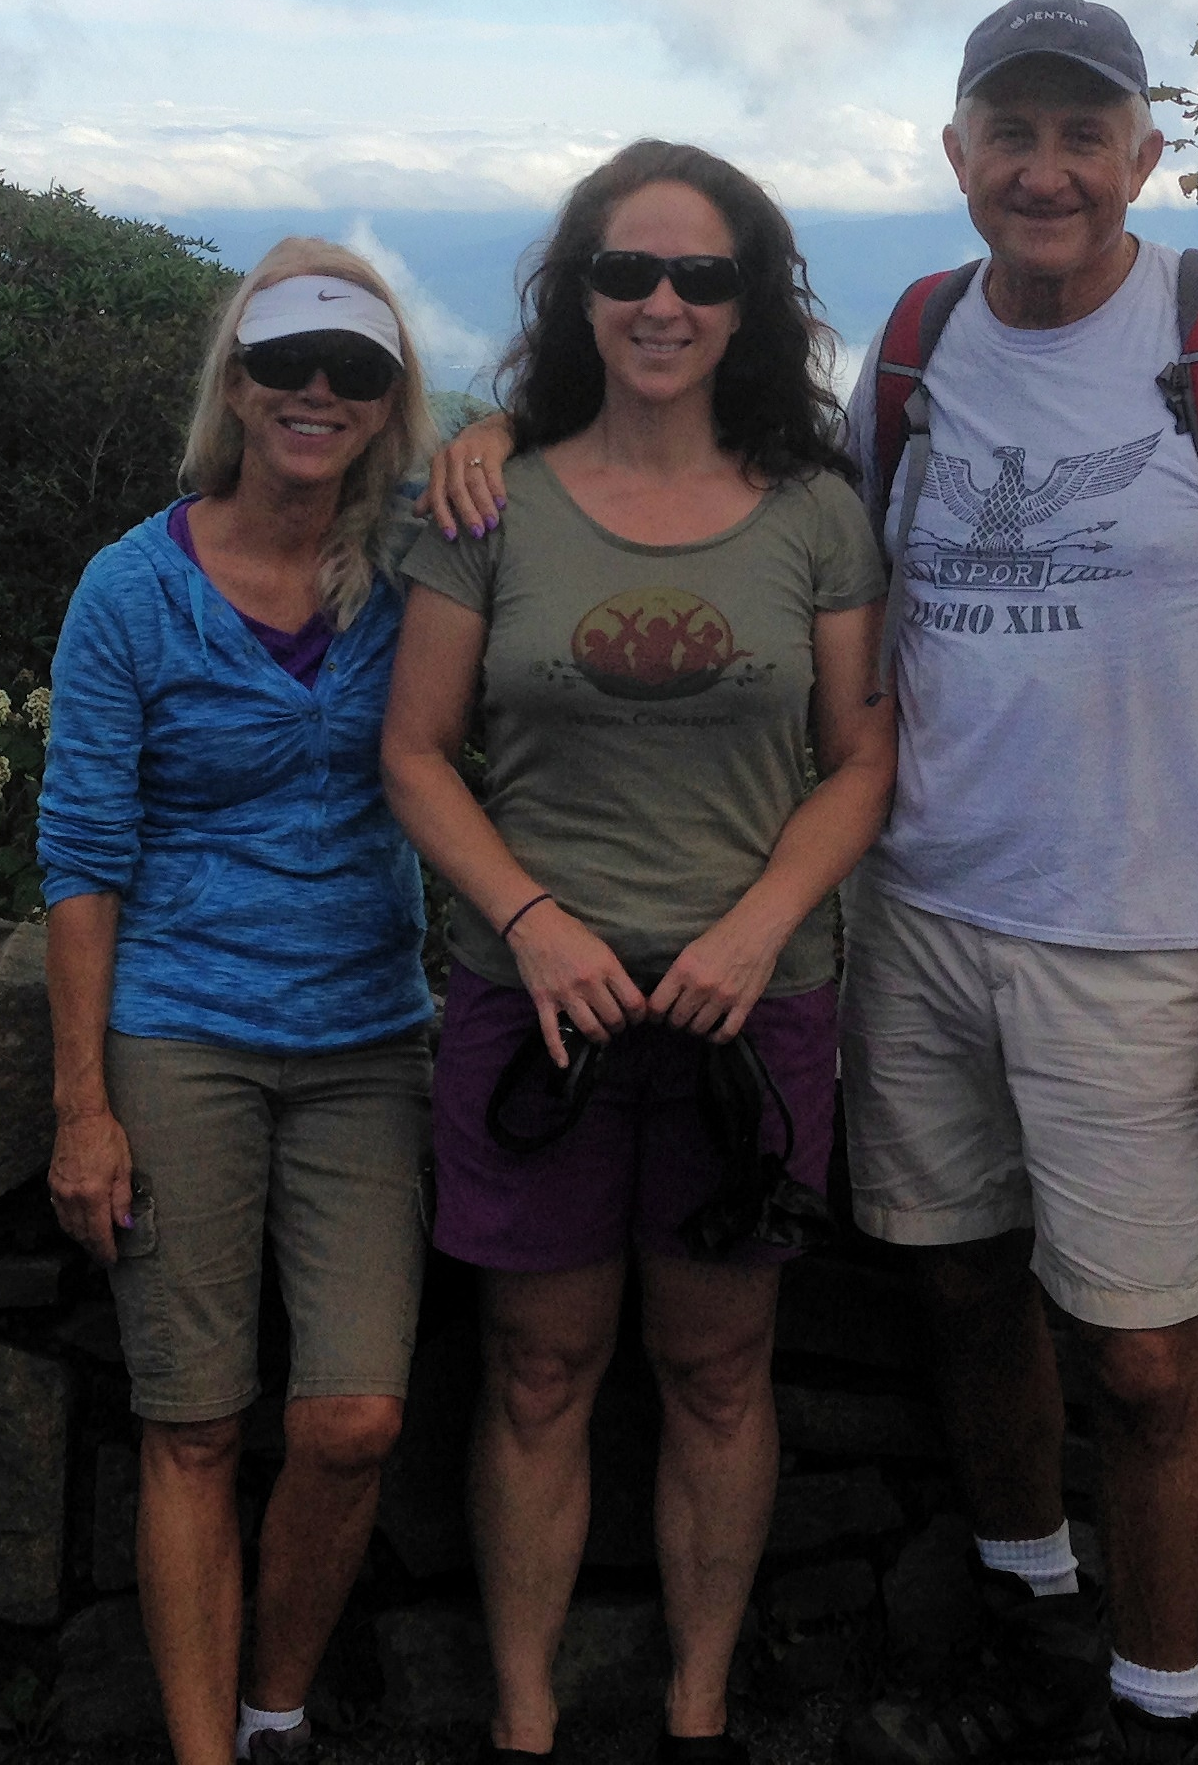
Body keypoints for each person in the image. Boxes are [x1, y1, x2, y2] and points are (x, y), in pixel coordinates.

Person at [428, 0, 1198, 1764]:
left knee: (1150, 1360)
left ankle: (1160, 1707)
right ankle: (1029, 1609)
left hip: (1146, 931)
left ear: (1144, 155)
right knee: (954, 1280)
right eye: (1009, 135)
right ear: (954, 156)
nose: (1045, 171)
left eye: (1082, 135)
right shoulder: (924, 340)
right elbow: (791, 546)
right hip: (918, 915)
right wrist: (488, 441)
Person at [383, 140, 896, 1765]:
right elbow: (412, 750)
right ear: (579, 295)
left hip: (754, 1012)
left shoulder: (817, 513)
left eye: (700, 276)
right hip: (532, 1008)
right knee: (538, 1368)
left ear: (752, 304)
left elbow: (863, 756)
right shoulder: (492, 500)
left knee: (719, 1365)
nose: (662, 303)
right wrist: (530, 927)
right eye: (627, 273)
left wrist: (758, 931)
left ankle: (696, 1712)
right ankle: (524, 1720)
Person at [40, 240, 440, 1765]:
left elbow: (583, 472)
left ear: (391, 400)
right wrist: (82, 1106)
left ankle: (278, 1710)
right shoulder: (134, 588)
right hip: (181, 1034)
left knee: (353, 1421)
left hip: (364, 1040)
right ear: (237, 378)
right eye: (289, 363)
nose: (318, 394)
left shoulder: (415, 566)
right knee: (194, 1424)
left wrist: (500, 436)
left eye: (358, 371)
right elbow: (82, 852)